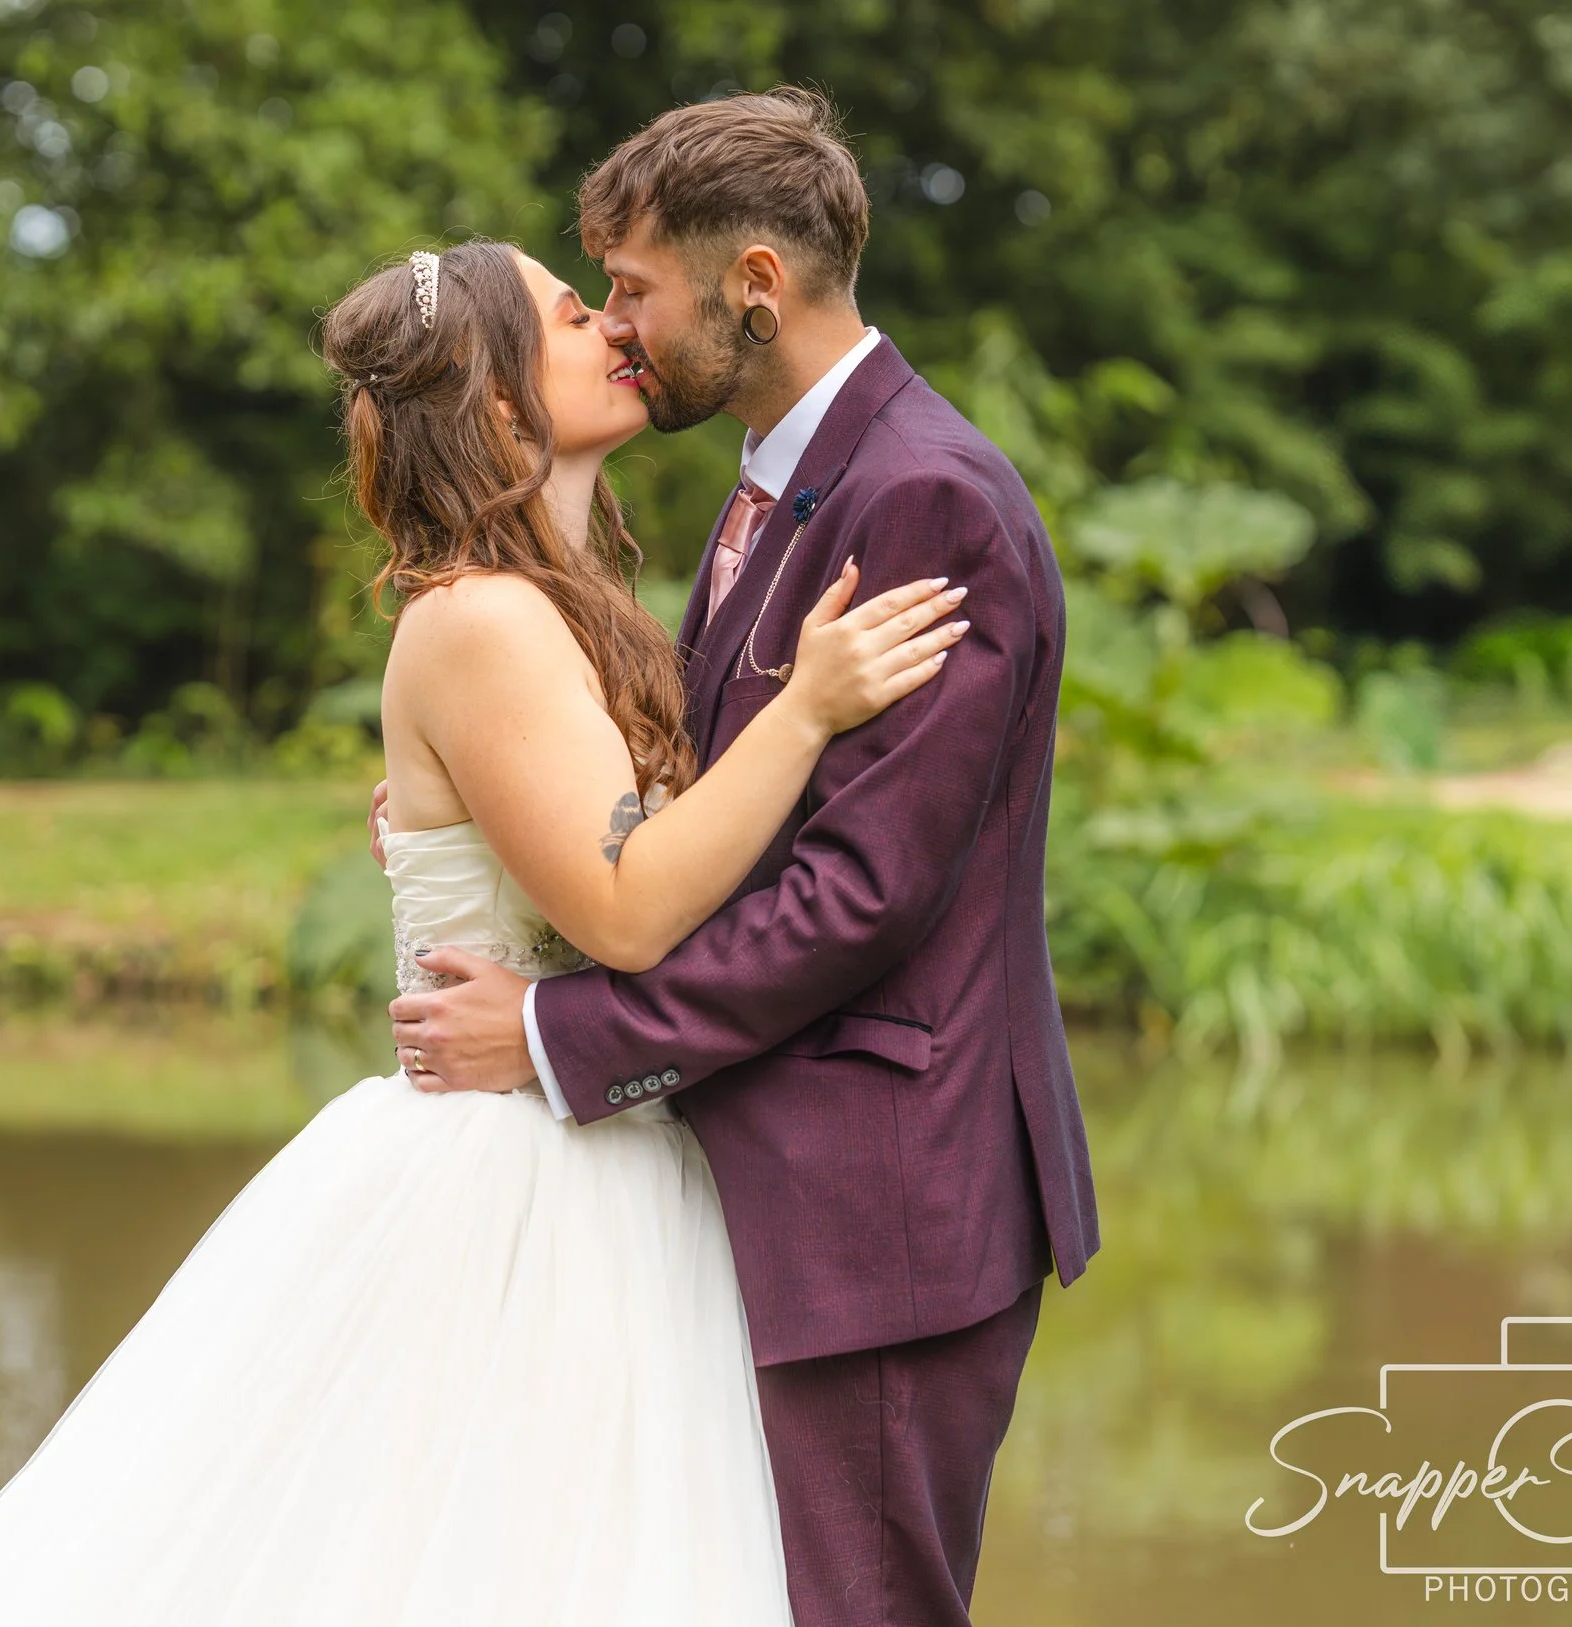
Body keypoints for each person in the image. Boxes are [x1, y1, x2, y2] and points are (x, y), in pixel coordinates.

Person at [0, 234, 967, 1626]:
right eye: (577, 314)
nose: (615, 326)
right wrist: (808, 710)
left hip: (609, 1157)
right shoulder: (485, 621)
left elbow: (647, 851)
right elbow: (630, 906)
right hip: (510, 1185)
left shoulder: (579, 613)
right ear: (504, 404)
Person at [382, 89, 1102, 1627]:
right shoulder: (772, 485)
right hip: (756, 1192)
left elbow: (859, 893)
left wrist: (558, 1035)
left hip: (883, 1211)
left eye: (632, 289)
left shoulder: (926, 497)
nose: (623, 331)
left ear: (755, 285)